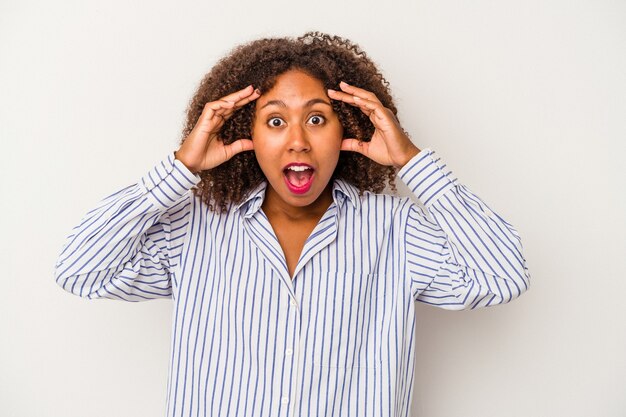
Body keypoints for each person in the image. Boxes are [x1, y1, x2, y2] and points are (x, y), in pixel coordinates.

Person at [54, 31, 530, 417]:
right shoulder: (193, 228)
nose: (298, 141)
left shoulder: (395, 230)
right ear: (246, 133)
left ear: (348, 128)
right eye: (275, 121)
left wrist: (412, 163)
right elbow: (81, 270)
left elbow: (502, 277)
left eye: (318, 119)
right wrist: (180, 169)